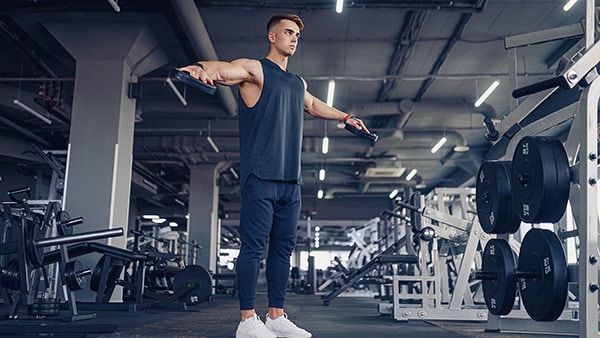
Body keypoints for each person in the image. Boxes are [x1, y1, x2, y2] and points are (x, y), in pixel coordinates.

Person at [178, 13, 371, 338]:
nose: (294, 38)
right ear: (272, 36)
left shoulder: (297, 83)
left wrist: (346, 117)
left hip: (290, 181)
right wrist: (201, 68)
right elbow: (223, 69)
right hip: (261, 176)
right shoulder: (255, 70)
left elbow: (313, 105)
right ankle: (247, 321)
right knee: (253, 247)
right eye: (288, 32)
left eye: (297, 34)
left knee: (283, 248)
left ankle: (276, 317)